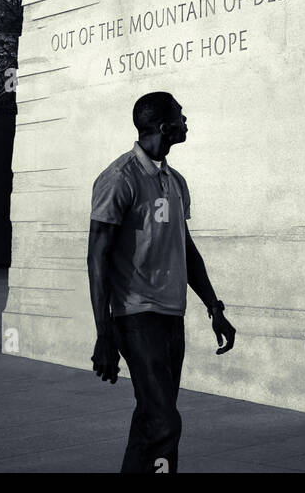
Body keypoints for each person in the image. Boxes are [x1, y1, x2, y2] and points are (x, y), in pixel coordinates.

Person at [87, 90, 235, 473]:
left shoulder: (175, 182)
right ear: (165, 126)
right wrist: (104, 334)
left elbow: (185, 249)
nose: (187, 123)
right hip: (135, 315)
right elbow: (97, 256)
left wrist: (214, 307)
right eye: (181, 117)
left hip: (172, 314)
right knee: (166, 423)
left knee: (154, 415)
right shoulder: (119, 179)